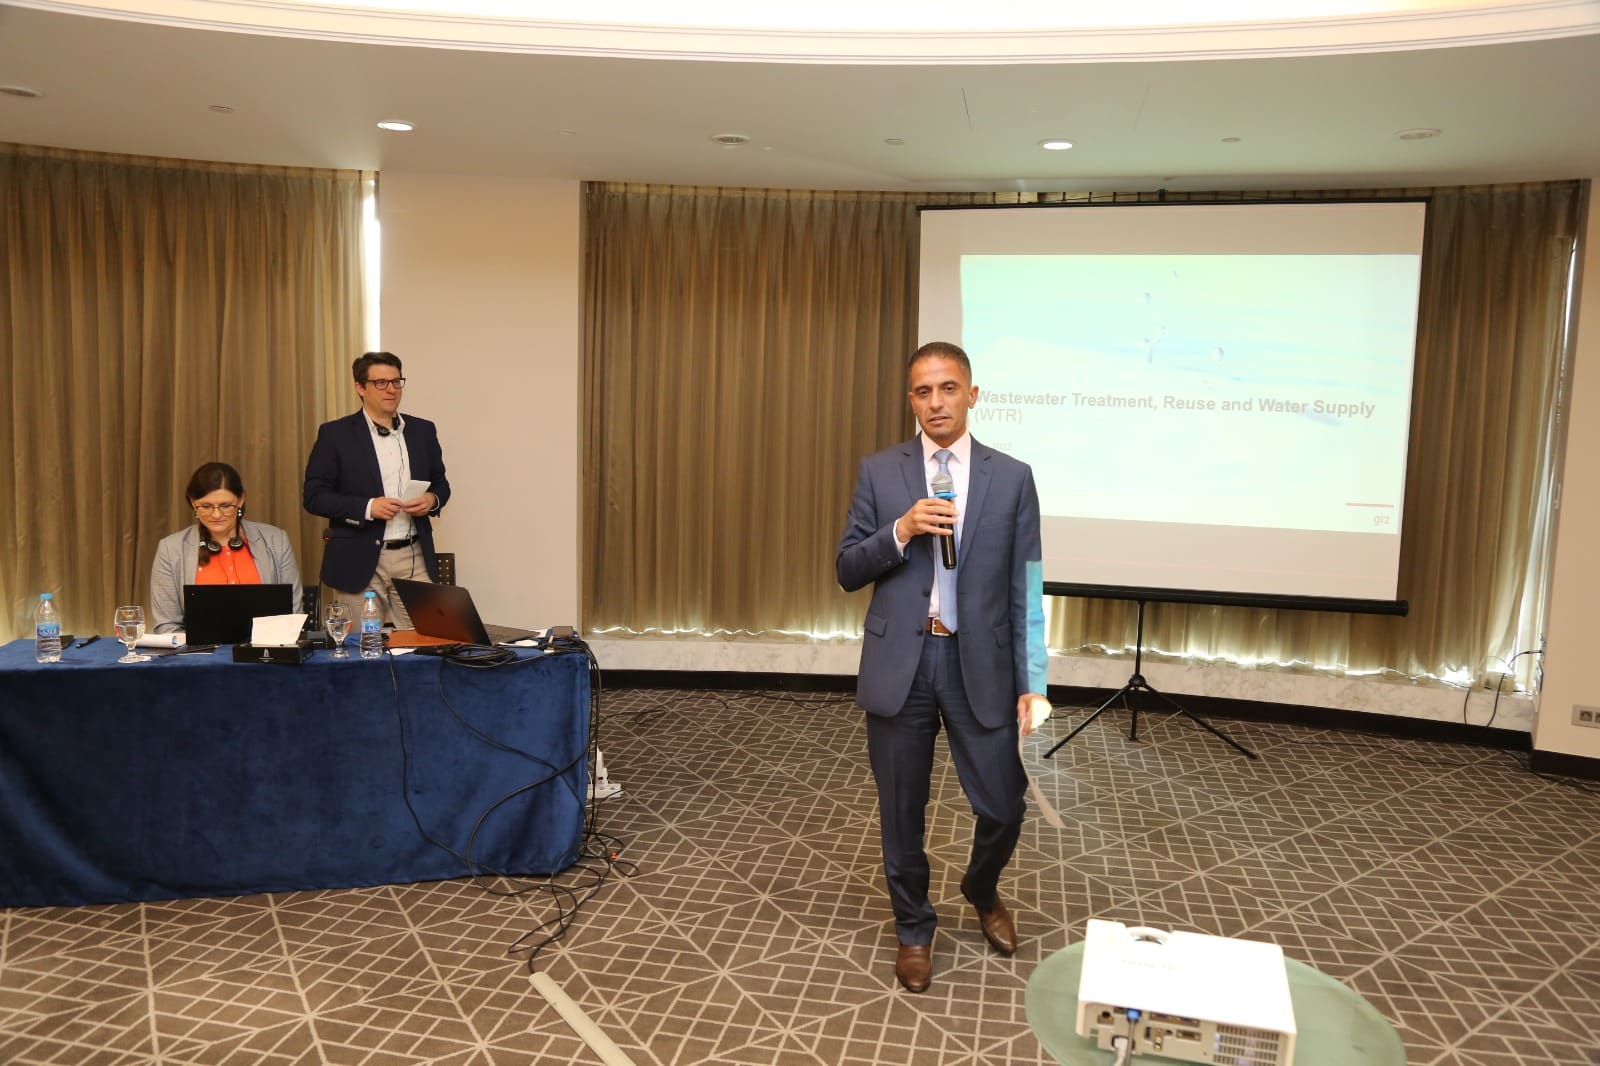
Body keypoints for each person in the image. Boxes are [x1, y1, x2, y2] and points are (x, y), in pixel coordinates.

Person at [836, 340, 1050, 994]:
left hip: (979, 664)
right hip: (902, 662)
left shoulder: (1011, 477)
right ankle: (914, 928)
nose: (936, 402)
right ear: (912, 400)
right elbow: (847, 568)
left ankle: (981, 888)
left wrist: (1033, 682)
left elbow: (1025, 586)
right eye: (923, 391)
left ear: (972, 394)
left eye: (948, 388)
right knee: (901, 810)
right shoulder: (880, 472)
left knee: (1004, 805)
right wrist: (900, 530)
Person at [303, 352, 451, 626]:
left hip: (414, 554)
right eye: (381, 383)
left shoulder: (422, 431)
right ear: (360, 387)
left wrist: (432, 499)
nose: (391, 389)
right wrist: (368, 507)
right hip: (359, 557)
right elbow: (314, 496)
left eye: (396, 381)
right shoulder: (335, 434)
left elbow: (441, 484)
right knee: (361, 645)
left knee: (427, 639)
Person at [150, 462, 302, 634]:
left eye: (225, 506)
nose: (216, 515)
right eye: (206, 506)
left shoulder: (276, 540)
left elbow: (293, 614)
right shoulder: (171, 549)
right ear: (193, 503)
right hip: (197, 650)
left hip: (266, 648)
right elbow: (166, 626)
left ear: (240, 500)